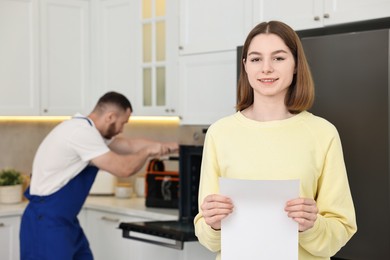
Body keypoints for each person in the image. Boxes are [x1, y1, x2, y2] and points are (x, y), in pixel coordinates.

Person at [194, 21, 357, 260]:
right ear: (245, 66)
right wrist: (215, 224)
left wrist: (311, 226)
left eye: (279, 58)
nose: (266, 68)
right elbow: (205, 232)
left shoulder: (323, 133)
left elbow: (341, 230)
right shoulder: (220, 132)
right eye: (256, 59)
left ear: (295, 66)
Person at [20, 91, 178, 260]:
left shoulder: (89, 131)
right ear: (110, 116)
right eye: (122, 123)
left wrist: (173, 146)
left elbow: (130, 145)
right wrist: (147, 152)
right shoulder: (81, 133)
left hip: (66, 222)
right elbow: (124, 169)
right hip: (46, 223)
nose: (121, 130)